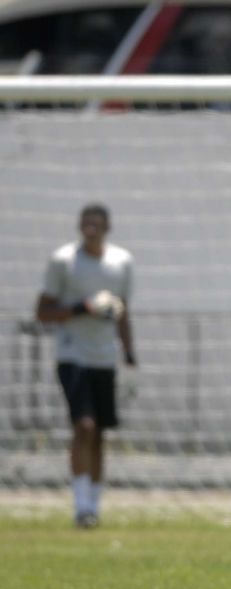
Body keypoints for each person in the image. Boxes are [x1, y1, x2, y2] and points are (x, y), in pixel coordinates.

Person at [35, 203, 137, 529]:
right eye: (86, 224)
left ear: (107, 228)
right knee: (84, 427)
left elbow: (123, 312)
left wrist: (129, 351)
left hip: (104, 357)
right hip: (72, 355)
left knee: (101, 434)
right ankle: (80, 507)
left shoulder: (121, 262)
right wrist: (83, 307)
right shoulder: (64, 261)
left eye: (96, 225)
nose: (90, 230)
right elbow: (43, 312)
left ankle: (94, 505)